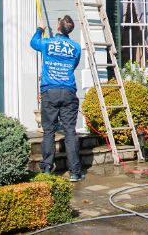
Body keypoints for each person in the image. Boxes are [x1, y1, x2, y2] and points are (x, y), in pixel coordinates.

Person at [30, 16, 83, 182]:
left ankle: (46, 167)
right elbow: (73, 65)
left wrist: (40, 29)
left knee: (49, 131)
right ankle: (74, 172)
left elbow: (33, 42)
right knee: (69, 131)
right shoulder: (75, 47)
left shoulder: (47, 43)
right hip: (68, 91)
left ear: (58, 27)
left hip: (50, 91)